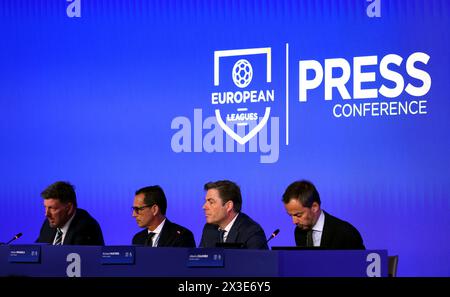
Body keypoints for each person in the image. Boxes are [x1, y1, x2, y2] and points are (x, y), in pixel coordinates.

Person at [282, 180, 365, 249]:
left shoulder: (345, 232)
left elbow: (359, 265)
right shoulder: (299, 232)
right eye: (291, 215)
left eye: (298, 215)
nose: (294, 221)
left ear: (314, 207)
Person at [200, 180, 268, 249]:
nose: (204, 207)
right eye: (206, 201)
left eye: (211, 202)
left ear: (229, 206)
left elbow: (258, 259)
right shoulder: (208, 229)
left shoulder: (251, 232)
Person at [36, 181, 104, 245]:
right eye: (45, 207)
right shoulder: (48, 225)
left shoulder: (87, 227)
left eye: (52, 208)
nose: (46, 214)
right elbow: (37, 251)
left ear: (69, 208)